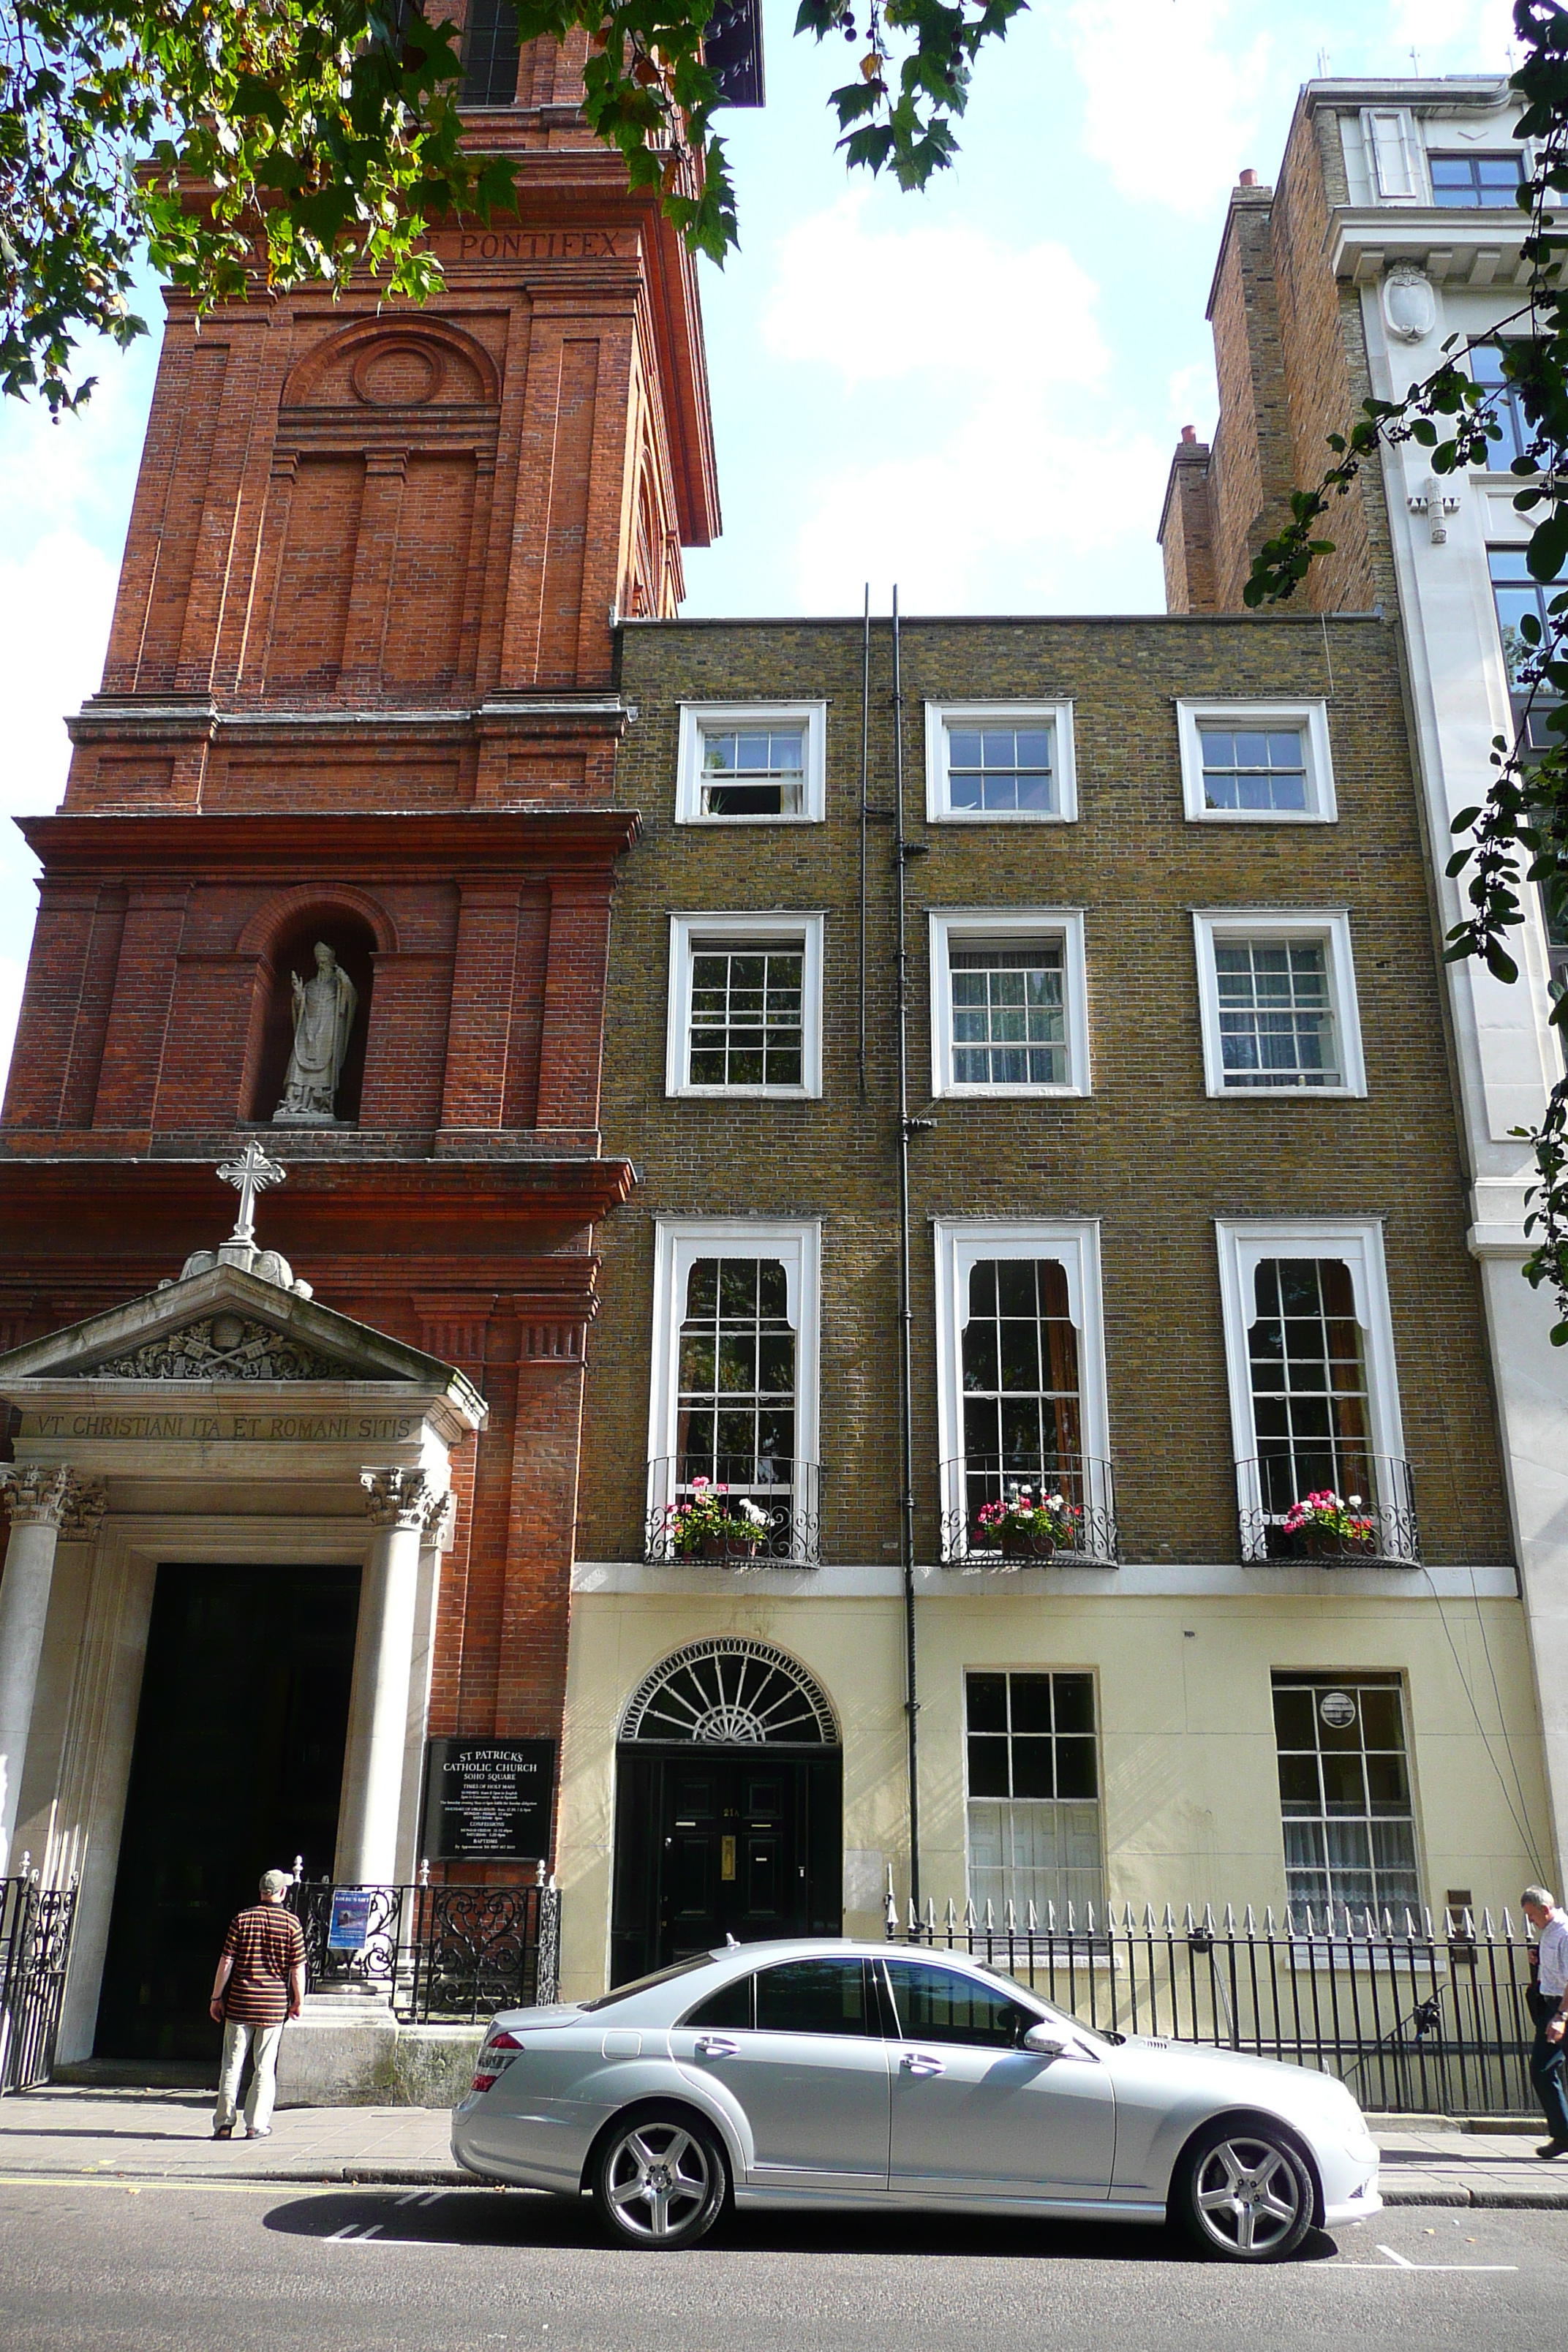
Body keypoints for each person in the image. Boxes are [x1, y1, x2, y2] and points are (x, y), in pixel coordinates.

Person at [210, 1869, 306, 2141]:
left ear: (261, 1892)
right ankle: (256, 2125)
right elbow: (297, 1968)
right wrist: (298, 2000)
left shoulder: (242, 1919)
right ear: (283, 1892)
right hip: (273, 2005)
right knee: (264, 2067)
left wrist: (217, 1997)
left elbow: (226, 1961)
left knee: (231, 2065)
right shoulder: (292, 1924)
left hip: (240, 2002)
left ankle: (224, 2124)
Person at [1521, 1883, 1568, 2158]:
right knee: (1541, 2069)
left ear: (1545, 1909)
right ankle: (1563, 2135)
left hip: (1562, 2009)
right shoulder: (1549, 1932)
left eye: (1531, 1915)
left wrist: (1562, 2016)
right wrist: (1538, 1960)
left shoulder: (1564, 1933)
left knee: (1543, 2068)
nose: (1530, 1921)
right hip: (1552, 2006)